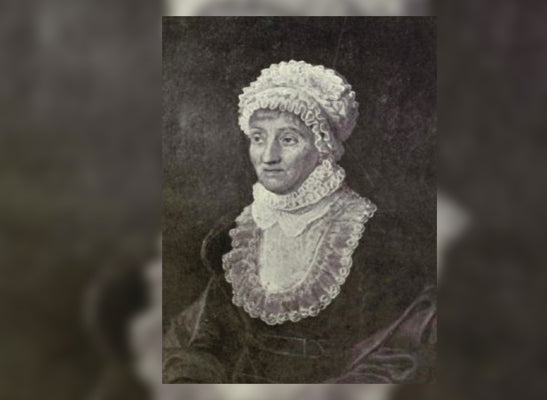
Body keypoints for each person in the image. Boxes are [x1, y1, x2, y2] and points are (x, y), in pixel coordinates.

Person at [163, 60, 436, 384]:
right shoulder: (236, 237)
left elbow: (402, 352)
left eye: (289, 139)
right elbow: (207, 343)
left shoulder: (374, 237)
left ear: (323, 147)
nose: (268, 156)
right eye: (258, 138)